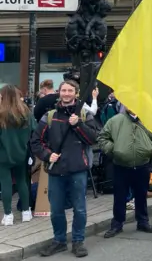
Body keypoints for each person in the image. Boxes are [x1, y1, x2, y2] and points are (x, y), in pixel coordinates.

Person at [30, 80, 99, 258]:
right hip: (56, 170)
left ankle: (78, 241)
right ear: (59, 93)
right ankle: (59, 241)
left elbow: (93, 138)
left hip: (78, 169)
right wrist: (47, 155)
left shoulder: (84, 115)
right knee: (57, 209)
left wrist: (78, 125)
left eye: (70, 90)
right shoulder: (50, 116)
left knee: (80, 209)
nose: (66, 93)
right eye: (63, 90)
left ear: (76, 93)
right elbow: (36, 141)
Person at [98, 104, 152, 238]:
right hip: (121, 166)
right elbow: (102, 137)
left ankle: (143, 222)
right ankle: (117, 224)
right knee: (119, 197)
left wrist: (151, 147)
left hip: (142, 165)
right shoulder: (115, 120)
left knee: (141, 195)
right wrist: (113, 149)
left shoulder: (148, 121)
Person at [0, 85, 36, 226]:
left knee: (6, 183)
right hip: (22, 153)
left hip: (3, 154)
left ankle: (8, 215)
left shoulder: (1, 113)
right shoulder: (26, 112)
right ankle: (26, 212)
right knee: (23, 181)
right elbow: (35, 130)